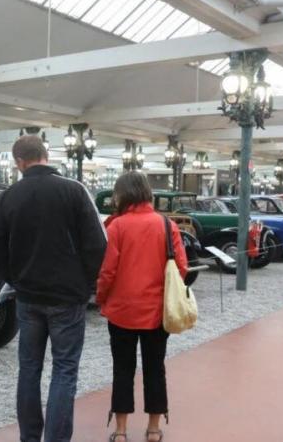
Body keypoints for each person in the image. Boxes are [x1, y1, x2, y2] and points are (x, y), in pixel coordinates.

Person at [0, 135, 107, 442]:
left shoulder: (7, 197)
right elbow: (97, 244)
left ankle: (29, 437)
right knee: (64, 371)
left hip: (27, 297)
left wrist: (17, 281)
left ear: (18, 162)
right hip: (67, 297)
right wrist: (84, 284)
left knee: (28, 369)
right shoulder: (73, 190)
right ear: (46, 155)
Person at [96, 172, 188, 442]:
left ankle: (121, 431)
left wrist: (102, 298)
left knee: (122, 369)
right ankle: (154, 429)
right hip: (157, 312)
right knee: (155, 367)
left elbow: (108, 272)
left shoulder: (116, 226)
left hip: (122, 311)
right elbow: (181, 266)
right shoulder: (165, 224)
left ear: (122, 194)